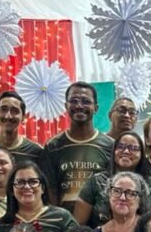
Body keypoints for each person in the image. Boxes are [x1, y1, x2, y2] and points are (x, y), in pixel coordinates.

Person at [41, 82, 114, 214]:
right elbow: (50, 190)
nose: (79, 106)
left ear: (96, 108)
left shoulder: (110, 145)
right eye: (74, 101)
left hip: (100, 221)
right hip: (64, 221)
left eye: (86, 101)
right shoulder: (53, 146)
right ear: (66, 106)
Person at [75, 131, 151, 227]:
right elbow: (78, 225)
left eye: (133, 148)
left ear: (142, 154)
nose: (126, 151)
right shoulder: (96, 181)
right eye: (121, 146)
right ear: (113, 151)